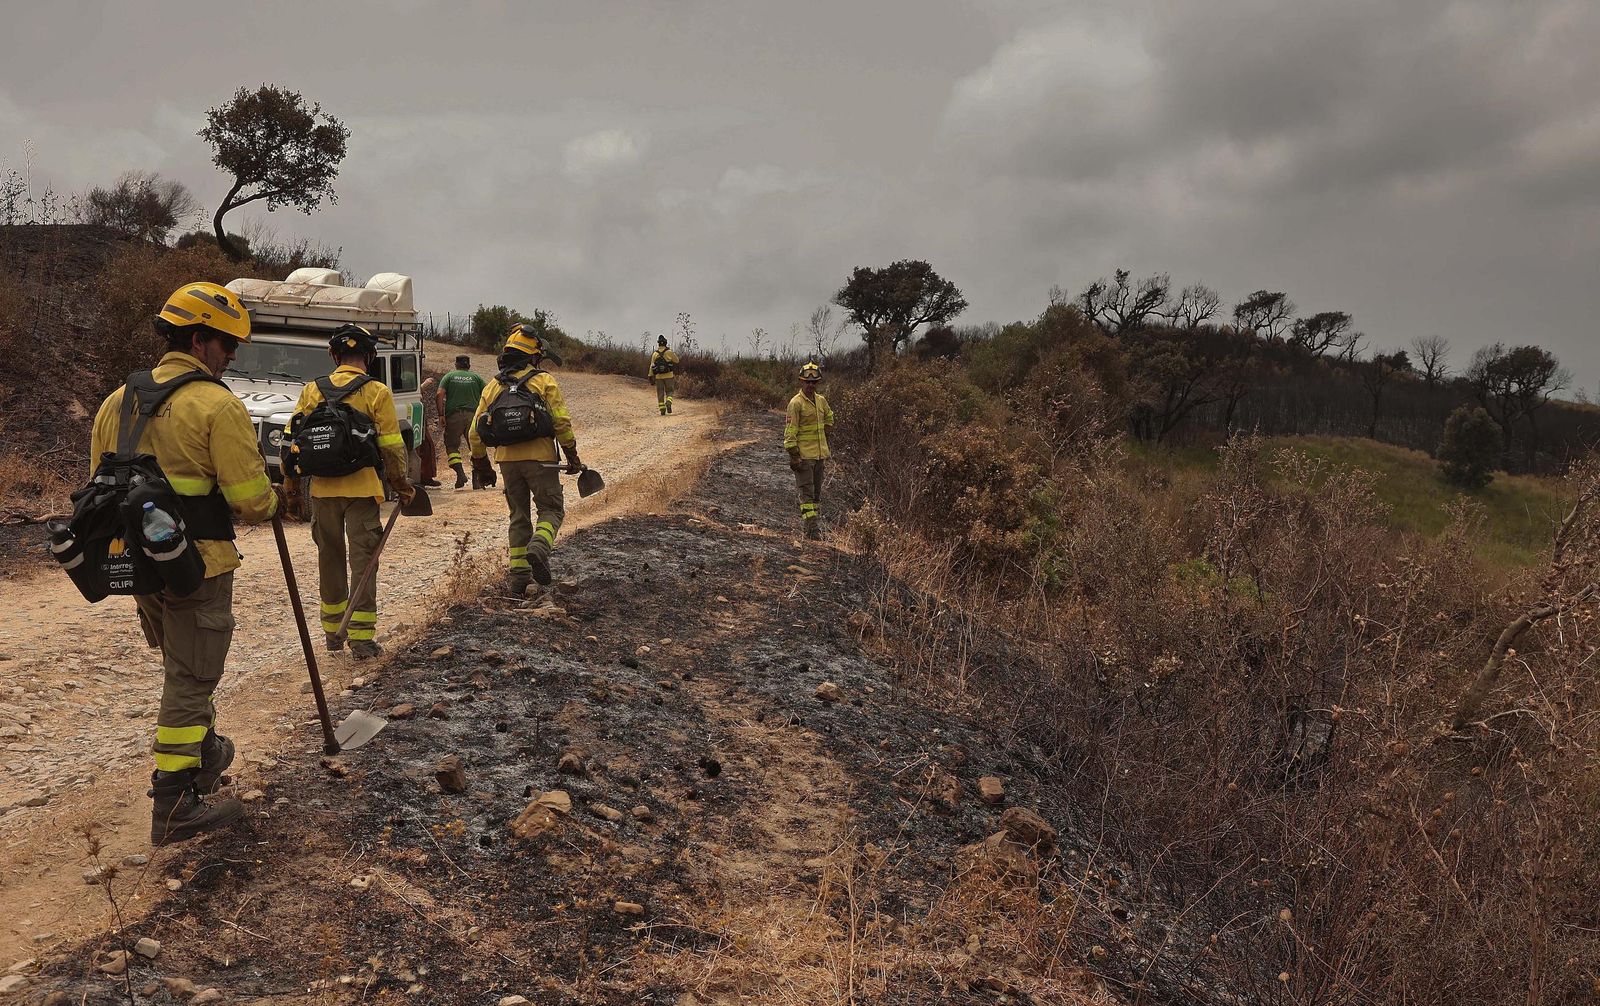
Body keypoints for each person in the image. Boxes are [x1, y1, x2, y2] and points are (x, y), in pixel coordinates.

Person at [89, 281, 282, 844]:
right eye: (227, 346)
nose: (231, 357)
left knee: (184, 663)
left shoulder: (116, 401)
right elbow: (251, 501)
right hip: (198, 564)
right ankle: (174, 804)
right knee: (194, 672)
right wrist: (273, 498)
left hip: (136, 564)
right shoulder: (216, 404)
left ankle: (204, 754)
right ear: (200, 341)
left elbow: (99, 485)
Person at [283, 324, 415, 659]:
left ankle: (332, 633)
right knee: (364, 562)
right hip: (362, 490)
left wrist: (291, 486)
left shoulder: (312, 390)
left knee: (329, 559)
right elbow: (391, 447)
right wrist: (401, 485)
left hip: (321, 492)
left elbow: (292, 440)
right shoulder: (377, 392)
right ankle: (360, 638)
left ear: (333, 354)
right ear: (369, 357)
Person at [468, 322, 580, 595]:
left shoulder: (492, 387)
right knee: (551, 510)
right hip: (541, 460)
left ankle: (519, 578)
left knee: (518, 516)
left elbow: (474, 433)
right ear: (533, 357)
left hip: (507, 462)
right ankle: (539, 548)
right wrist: (572, 455)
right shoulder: (544, 381)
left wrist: (482, 465)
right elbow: (561, 422)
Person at [783, 361, 834, 540]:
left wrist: (827, 428)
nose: (810, 385)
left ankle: (814, 527)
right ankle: (811, 532)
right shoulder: (795, 404)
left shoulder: (821, 401)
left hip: (820, 456)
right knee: (807, 496)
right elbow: (790, 431)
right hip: (804, 458)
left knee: (817, 495)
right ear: (801, 381)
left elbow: (830, 415)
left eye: (814, 382)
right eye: (807, 382)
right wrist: (794, 455)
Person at [438, 354, 486, 489]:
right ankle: (476, 480)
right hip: (473, 416)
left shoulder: (449, 376)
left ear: (456, 365)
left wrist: (441, 414)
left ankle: (460, 474)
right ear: (468, 366)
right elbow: (487, 393)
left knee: (452, 447)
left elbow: (439, 394)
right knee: (475, 448)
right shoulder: (476, 378)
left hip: (454, 416)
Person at [417, 375, 442, 487]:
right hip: (417, 420)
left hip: (419, 419)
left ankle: (423, 476)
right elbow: (415, 392)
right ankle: (425, 477)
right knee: (426, 447)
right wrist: (425, 384)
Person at [647, 335, 679, 416]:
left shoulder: (654, 354)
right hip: (669, 376)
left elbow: (652, 366)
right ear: (665, 343)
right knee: (670, 391)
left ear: (658, 344)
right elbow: (677, 361)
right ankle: (668, 402)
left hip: (658, 377)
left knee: (660, 393)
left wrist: (650, 376)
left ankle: (662, 410)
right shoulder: (669, 352)